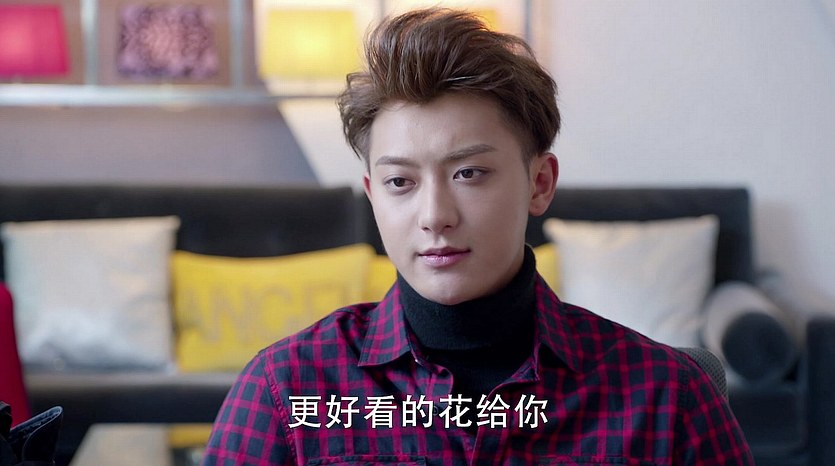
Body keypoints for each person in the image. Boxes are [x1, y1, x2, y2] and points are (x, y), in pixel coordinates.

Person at [202, 7, 753, 465]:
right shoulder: (288, 389)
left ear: (540, 183)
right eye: (400, 182)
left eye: (468, 173)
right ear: (373, 195)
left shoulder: (665, 398)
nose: (435, 216)